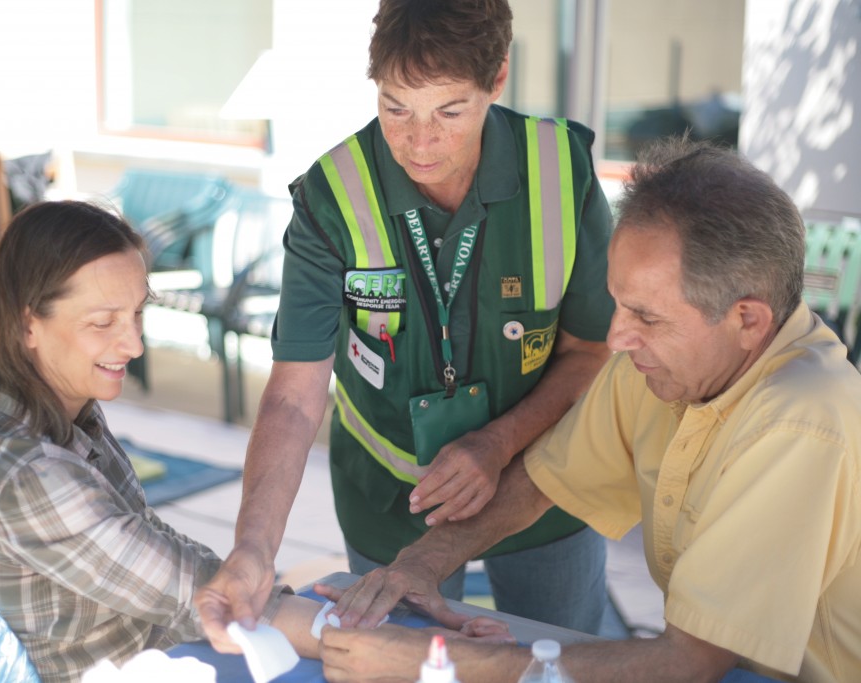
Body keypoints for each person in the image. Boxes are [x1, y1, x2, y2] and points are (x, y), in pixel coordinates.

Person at [317, 138, 861, 683]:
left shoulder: (801, 420)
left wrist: (433, 663)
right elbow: (541, 479)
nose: (617, 337)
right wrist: (421, 564)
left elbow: (688, 663)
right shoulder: (664, 365)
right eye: (617, 302)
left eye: (646, 316)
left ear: (747, 320)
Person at [195, 0, 616, 648]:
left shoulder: (562, 170)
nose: (420, 141)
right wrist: (254, 547)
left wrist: (498, 443)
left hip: (542, 485)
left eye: (450, 111)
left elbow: (591, 350)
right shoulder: (331, 195)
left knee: (557, 659)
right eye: (396, 107)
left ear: (497, 79)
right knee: (398, 663)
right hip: (391, 502)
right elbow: (293, 397)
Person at [0, 200, 326, 682]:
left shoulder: (48, 409)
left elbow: (151, 541)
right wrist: (368, 640)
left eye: (136, 313)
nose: (134, 344)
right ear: (28, 323)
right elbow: (196, 596)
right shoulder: (33, 476)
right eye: (102, 322)